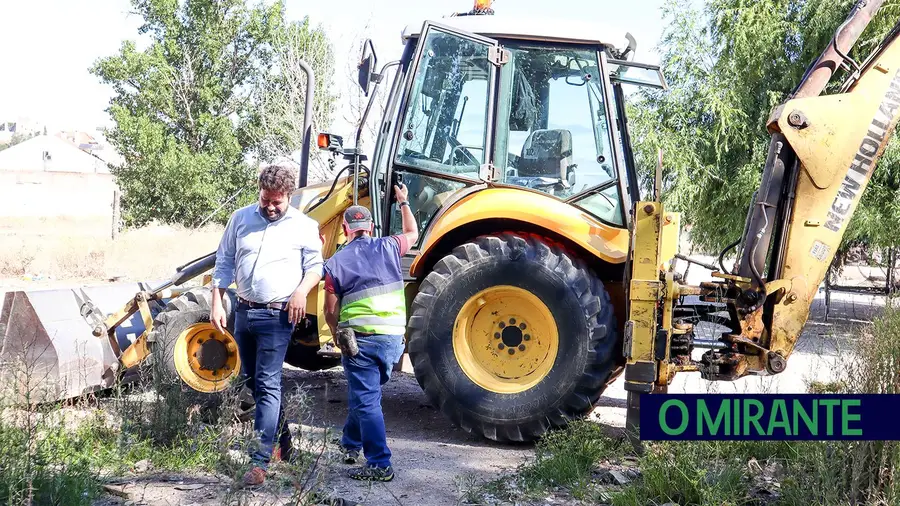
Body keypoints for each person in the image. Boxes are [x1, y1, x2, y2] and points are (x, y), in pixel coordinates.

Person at [210, 163, 324, 487]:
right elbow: (224, 260)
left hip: (278, 316)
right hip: (244, 312)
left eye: (277, 202)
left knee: (268, 383)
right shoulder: (240, 219)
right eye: (265, 200)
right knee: (253, 380)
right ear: (259, 192)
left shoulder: (304, 226)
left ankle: (260, 461)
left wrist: (302, 291)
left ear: (288, 195)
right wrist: (217, 302)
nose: (271, 207)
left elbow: (316, 266)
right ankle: (286, 446)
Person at [323, 184, 418, 482]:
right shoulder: (389, 246)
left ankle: (379, 463)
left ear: (346, 229)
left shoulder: (335, 262)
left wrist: (336, 333)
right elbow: (413, 233)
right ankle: (350, 444)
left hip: (359, 341)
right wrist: (403, 202)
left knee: (366, 400)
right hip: (392, 341)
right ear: (371, 227)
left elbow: (329, 309)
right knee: (366, 393)